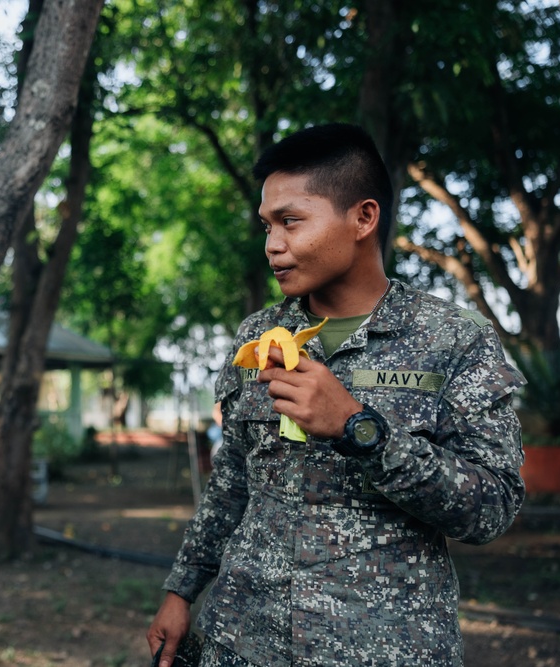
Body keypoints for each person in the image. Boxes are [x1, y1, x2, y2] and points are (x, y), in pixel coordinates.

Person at [147, 123, 525, 667]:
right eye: (267, 225)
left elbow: (492, 509)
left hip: (383, 649)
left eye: (291, 221)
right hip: (244, 642)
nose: (273, 244)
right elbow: (232, 481)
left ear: (363, 218)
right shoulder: (258, 337)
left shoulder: (454, 340)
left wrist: (359, 428)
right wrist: (181, 592)